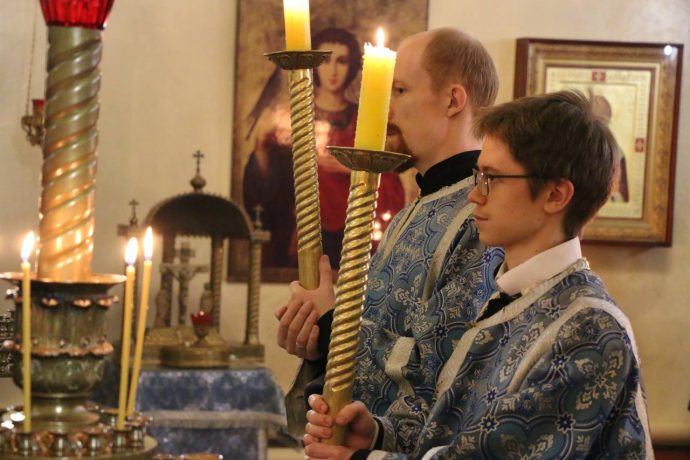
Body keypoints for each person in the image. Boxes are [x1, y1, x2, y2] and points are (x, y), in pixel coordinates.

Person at [303, 90, 652, 459]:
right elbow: (456, 425)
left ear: (555, 194)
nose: (474, 196)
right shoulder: (511, 298)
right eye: (478, 176)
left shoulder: (588, 327)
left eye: (492, 178)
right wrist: (377, 435)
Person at [278, 27, 502, 435]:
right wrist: (317, 337)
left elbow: (448, 370)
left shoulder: (481, 216)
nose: (383, 108)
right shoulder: (411, 210)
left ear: (453, 100)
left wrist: (331, 322)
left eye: (398, 90)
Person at [243, 27, 405, 269]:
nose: (333, 70)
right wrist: (262, 149)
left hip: (353, 233)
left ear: (352, 66)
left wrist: (352, 168)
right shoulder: (290, 118)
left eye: (342, 61)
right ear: (315, 65)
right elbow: (267, 193)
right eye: (326, 60)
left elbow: (390, 183)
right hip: (302, 231)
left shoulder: (364, 120)